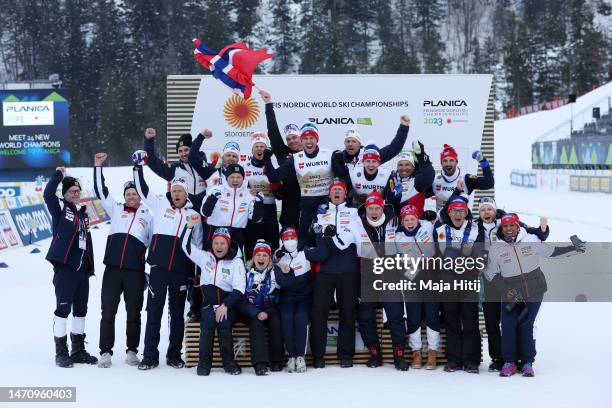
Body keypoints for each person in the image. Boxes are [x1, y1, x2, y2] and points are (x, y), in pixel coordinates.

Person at [484, 213, 585, 377]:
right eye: (505, 226)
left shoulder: (530, 241)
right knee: (507, 325)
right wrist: (506, 290)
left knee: (526, 325)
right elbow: (490, 273)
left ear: (518, 227)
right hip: (511, 293)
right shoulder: (496, 248)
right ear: (501, 228)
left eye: (512, 225)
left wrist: (574, 249)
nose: (509, 229)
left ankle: (527, 362)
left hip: (534, 290)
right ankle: (509, 362)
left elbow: (552, 252)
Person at [132, 153, 203, 370]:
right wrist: (137, 168)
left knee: (177, 315)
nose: (177, 194)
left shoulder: (194, 215)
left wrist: (196, 272)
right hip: (159, 269)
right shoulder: (161, 203)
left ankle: (174, 355)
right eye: (174, 190)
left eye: (181, 191)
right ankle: (150, 356)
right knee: (154, 311)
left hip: (181, 271)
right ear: (170, 192)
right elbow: (142, 190)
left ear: (186, 193)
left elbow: (198, 245)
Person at [472, 195, 549, 372]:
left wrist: (543, 231)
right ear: (479, 212)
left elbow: (531, 232)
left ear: (495, 210)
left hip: (509, 277)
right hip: (490, 278)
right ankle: (499, 357)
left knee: (519, 318)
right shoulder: (474, 226)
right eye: (483, 209)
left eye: (489, 209)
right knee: (493, 320)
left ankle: (522, 356)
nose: (486, 212)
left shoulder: (506, 223)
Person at [93, 153, 153, 368]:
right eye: (128, 194)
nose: (131, 197)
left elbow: (156, 244)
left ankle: (132, 351)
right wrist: (98, 166)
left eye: (134, 194)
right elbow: (101, 191)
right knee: (107, 312)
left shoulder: (149, 217)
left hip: (134, 272)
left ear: (140, 196)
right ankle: (105, 352)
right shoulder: (116, 209)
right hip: (112, 270)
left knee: (134, 313)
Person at [309, 180, 366, 368]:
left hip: (347, 268)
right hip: (325, 269)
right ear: (329, 193)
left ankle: (346, 355)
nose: (336, 192)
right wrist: (314, 230)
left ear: (345, 194)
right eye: (334, 190)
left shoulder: (353, 213)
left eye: (340, 190)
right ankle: (318, 356)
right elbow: (314, 239)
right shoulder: (321, 213)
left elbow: (361, 242)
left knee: (348, 312)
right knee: (319, 312)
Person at [44, 167, 97, 368]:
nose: (76, 194)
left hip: (82, 271)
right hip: (65, 269)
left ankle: (78, 350)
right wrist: (58, 175)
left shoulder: (82, 214)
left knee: (81, 311)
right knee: (63, 311)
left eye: (77, 191)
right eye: (72, 191)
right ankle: (61, 352)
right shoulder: (60, 208)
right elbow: (48, 194)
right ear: (65, 194)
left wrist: (89, 266)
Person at [181, 219, 245, 376]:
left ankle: (228, 362)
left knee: (223, 322)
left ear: (228, 244)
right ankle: (204, 362)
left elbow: (239, 288)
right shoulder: (205, 257)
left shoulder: (236, 262)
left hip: (228, 304)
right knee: (208, 322)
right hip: (209, 303)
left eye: (222, 243)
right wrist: (188, 227)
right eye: (216, 243)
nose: (219, 247)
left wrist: (225, 305)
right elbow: (186, 246)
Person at [262, 122, 346, 243]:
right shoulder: (295, 158)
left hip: (327, 206)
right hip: (307, 207)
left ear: (317, 139)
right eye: (305, 138)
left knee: (329, 241)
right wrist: (267, 159)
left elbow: (342, 177)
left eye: (311, 138)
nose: (308, 141)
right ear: (302, 140)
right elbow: (274, 177)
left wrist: (341, 162)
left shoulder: (328, 154)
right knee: (304, 242)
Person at [356, 191, 409, 371]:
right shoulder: (358, 223)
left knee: (395, 315)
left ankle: (399, 355)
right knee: (366, 316)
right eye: (370, 208)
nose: (373, 211)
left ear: (382, 207)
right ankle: (374, 354)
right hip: (368, 272)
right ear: (366, 209)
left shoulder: (394, 220)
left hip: (390, 271)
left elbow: (411, 230)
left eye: (377, 207)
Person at [433, 194, 481, 373]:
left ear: (466, 212)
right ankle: (453, 359)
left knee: (470, 322)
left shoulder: (476, 229)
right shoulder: (439, 229)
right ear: (449, 212)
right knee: (451, 322)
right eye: (454, 211)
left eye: (461, 211)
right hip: (447, 281)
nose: (458, 214)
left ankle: (471, 361)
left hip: (468, 282)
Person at [394, 204, 440, 370]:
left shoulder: (428, 226)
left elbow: (445, 218)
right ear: (403, 221)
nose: (410, 222)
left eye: (413, 218)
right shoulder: (398, 236)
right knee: (413, 317)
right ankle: (416, 352)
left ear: (418, 218)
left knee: (432, 315)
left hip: (430, 278)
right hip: (411, 278)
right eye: (407, 220)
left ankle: (432, 352)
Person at [240, 240, 284, 375]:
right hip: (251, 310)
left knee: (276, 322)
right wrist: (256, 312)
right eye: (258, 255)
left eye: (265, 255)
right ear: (253, 257)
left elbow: (284, 288)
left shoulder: (275, 272)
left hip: (270, 308)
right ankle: (260, 363)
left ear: (269, 258)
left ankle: (276, 360)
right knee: (257, 324)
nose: (261, 258)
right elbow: (240, 299)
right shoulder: (246, 274)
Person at [259, 89, 302, 229]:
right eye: (289, 139)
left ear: (302, 138)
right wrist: (268, 104)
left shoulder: (312, 153)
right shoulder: (283, 152)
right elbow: (273, 132)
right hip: (289, 206)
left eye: (295, 137)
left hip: (309, 205)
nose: (292, 141)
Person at [273, 227, 313, 373]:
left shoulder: (306, 252)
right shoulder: (278, 257)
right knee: (287, 318)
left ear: (297, 238)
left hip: (305, 296)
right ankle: (291, 355)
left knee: (301, 318)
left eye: (292, 238)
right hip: (287, 296)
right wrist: (285, 271)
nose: (290, 241)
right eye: (286, 239)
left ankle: (300, 356)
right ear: (282, 241)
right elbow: (282, 282)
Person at [199, 163, 264, 251]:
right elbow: (204, 213)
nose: (235, 180)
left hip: (237, 234)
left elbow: (256, 219)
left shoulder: (249, 194)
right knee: (211, 262)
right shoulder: (215, 190)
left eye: (238, 177)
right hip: (214, 232)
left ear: (243, 178)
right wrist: (213, 198)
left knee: (234, 262)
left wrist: (259, 203)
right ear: (226, 178)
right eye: (232, 177)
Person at [243, 132, 280, 259]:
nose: (259, 149)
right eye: (256, 146)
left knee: (273, 245)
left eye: (262, 146)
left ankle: (273, 274)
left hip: (270, 210)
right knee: (250, 245)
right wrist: (248, 193)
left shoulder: (272, 166)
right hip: (252, 211)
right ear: (252, 150)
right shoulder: (244, 167)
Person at [143, 127, 207, 196]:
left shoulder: (206, 167)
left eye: (186, 150)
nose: (183, 154)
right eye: (180, 151)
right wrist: (149, 140)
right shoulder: (173, 169)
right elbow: (151, 160)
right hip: (184, 206)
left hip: (205, 206)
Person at [431, 144, 494, 211]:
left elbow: (489, 183)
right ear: (441, 163)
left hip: (460, 219)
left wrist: (483, 161)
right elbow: (420, 191)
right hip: (441, 220)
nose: (448, 164)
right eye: (445, 161)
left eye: (451, 160)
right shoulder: (435, 180)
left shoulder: (465, 179)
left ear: (456, 162)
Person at [384, 142, 435, 217]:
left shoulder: (417, 180)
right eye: (400, 165)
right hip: (396, 223)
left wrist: (421, 155)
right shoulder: (392, 179)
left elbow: (428, 175)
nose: (404, 168)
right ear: (397, 167)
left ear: (413, 167)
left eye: (407, 164)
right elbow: (390, 200)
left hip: (416, 222)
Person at [340, 117, 410, 170]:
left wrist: (404, 127)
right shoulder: (339, 158)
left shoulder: (370, 153)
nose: (350, 144)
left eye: (354, 141)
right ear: (344, 143)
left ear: (359, 144)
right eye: (348, 141)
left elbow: (394, 148)